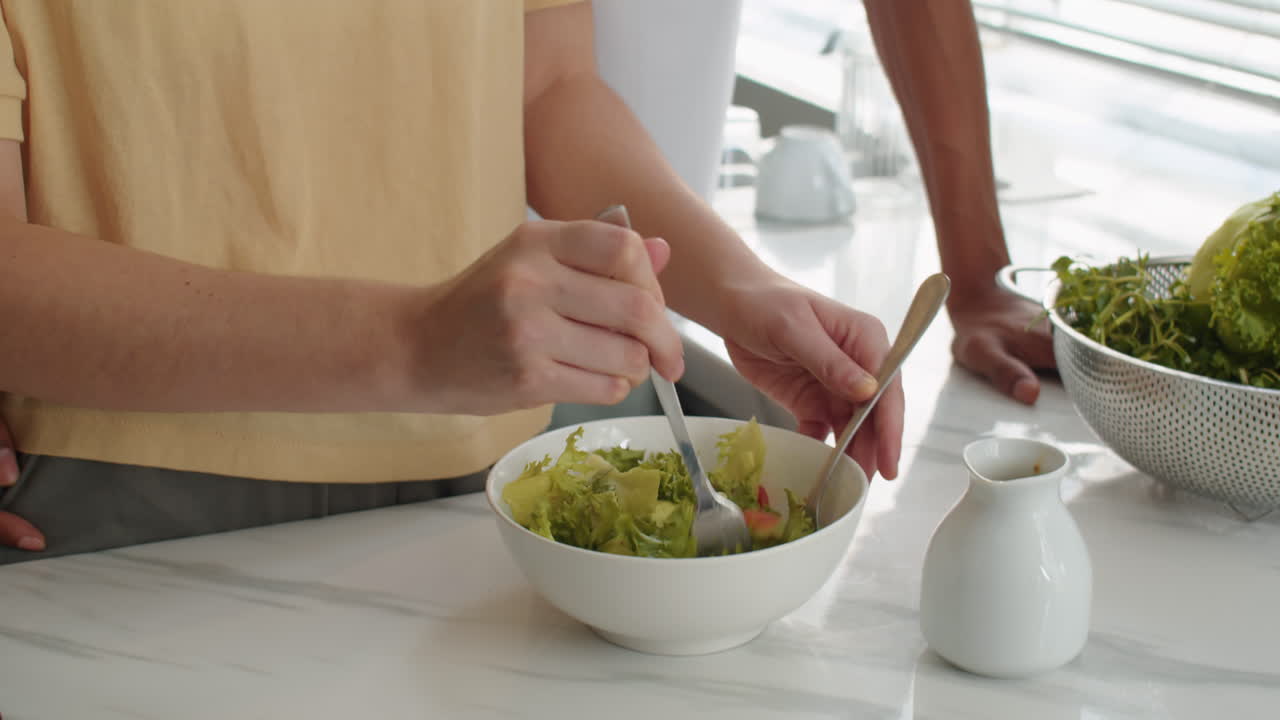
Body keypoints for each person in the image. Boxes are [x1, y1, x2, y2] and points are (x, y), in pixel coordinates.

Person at [0, 0, 1048, 560]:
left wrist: (737, 292)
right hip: (125, 502)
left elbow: (547, 82)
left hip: (496, 479)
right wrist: (411, 345)